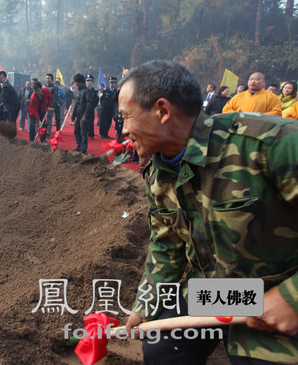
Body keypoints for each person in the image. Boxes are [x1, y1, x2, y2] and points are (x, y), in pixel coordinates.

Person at [120, 60, 298, 364]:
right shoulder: (159, 170)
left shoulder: (270, 144)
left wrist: (290, 298)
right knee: (163, 350)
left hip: (274, 292)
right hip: (219, 292)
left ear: (162, 111)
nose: (124, 129)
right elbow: (167, 244)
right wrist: (144, 305)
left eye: (126, 117)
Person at [71, 73, 94, 153]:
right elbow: (76, 104)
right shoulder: (78, 91)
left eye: (77, 82)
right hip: (78, 115)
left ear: (81, 82)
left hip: (84, 115)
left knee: (83, 132)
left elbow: (89, 104)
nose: (75, 83)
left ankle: (83, 148)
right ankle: (79, 145)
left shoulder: (87, 91)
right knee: (76, 131)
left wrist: (86, 115)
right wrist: (73, 116)